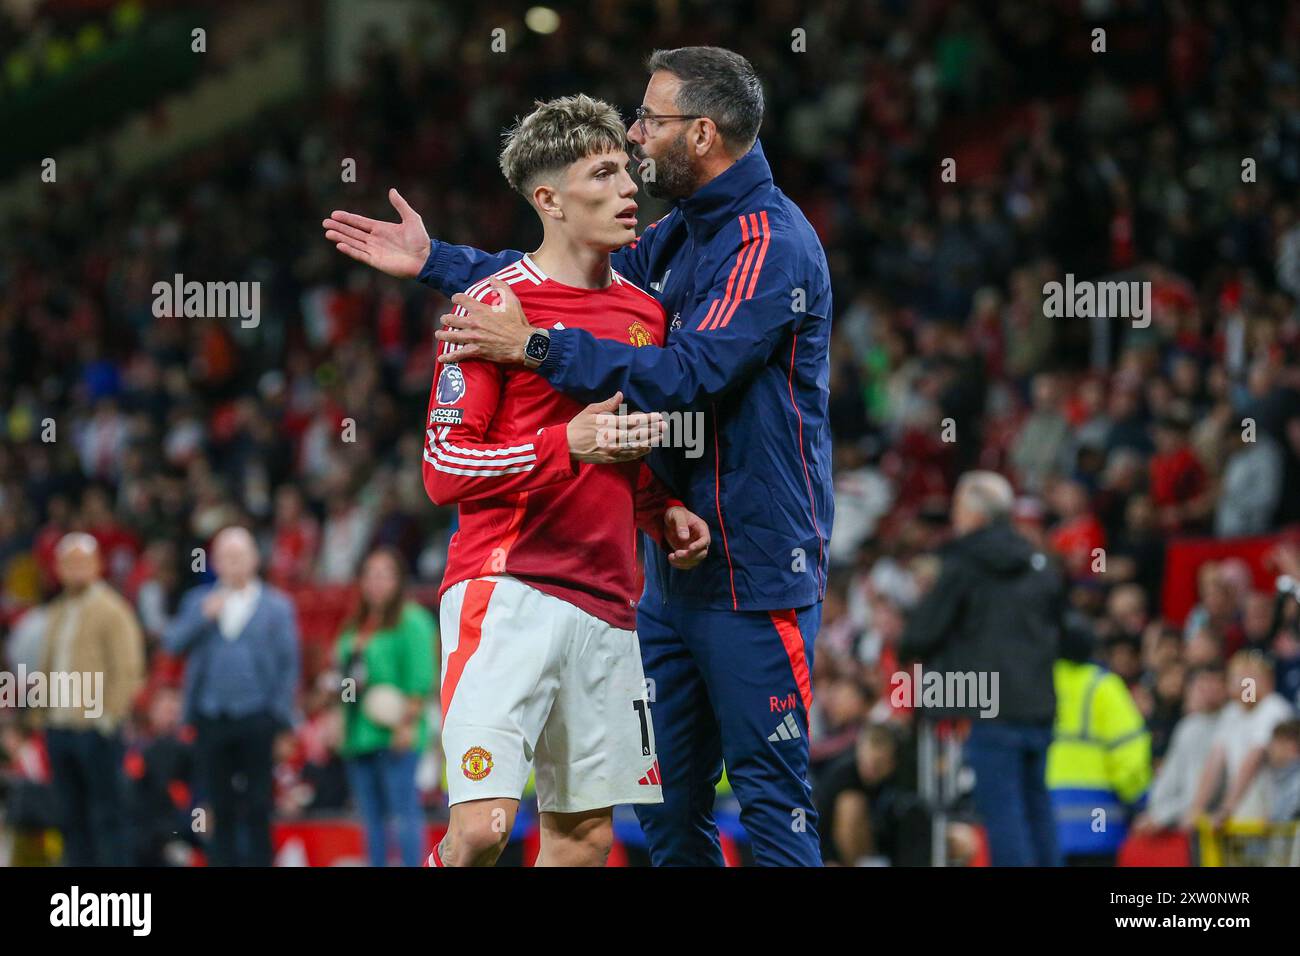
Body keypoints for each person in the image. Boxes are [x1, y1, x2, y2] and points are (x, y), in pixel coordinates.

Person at [325, 45, 833, 867]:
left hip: (755, 570)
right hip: (658, 580)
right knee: (665, 817)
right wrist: (437, 264)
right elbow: (557, 282)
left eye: (649, 121)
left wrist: (534, 351)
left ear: (701, 133)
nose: (637, 140)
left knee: (770, 803)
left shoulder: (769, 243)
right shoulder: (670, 243)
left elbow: (689, 375)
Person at [411, 94, 712, 867]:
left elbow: (613, 448)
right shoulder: (491, 303)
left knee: (582, 841)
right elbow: (443, 471)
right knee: (481, 831)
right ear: (548, 199)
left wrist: (660, 509)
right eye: (603, 174)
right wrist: (562, 444)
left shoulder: (646, 313)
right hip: (508, 587)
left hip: (611, 603)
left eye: (626, 170)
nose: (627, 190)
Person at [900, 471, 1063, 867]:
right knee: (1037, 808)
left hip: (988, 705)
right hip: (1039, 705)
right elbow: (1066, 627)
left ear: (974, 513)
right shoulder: (1040, 563)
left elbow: (920, 635)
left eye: (958, 507)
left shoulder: (962, 562)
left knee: (1003, 813)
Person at [163, 526, 301, 866]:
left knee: (258, 804)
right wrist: (202, 617)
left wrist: (279, 716)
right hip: (211, 718)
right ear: (215, 562)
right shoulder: (198, 601)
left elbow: (289, 665)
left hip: (257, 717)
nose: (234, 563)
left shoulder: (276, 606)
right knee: (217, 805)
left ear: (255, 559)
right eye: (226, 556)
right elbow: (172, 643)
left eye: (240, 555)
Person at [38, 533, 145, 866]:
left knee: (107, 814)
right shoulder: (57, 610)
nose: (76, 570)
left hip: (95, 727)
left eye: (83, 562)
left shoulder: (111, 609)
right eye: (68, 563)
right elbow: (48, 664)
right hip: (60, 725)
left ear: (98, 565)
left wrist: (109, 716)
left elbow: (127, 667)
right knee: (70, 815)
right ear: (58, 568)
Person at [335, 547, 437, 867]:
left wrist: (406, 724)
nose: (376, 582)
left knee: (404, 813)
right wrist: (339, 718)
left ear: (398, 580)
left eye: (384, 575)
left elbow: (421, 678)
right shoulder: (356, 625)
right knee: (372, 820)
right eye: (370, 575)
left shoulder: (413, 621)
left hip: (396, 736)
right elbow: (344, 679)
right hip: (359, 736)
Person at [1046, 614, 1152, 866]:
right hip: (1098, 828)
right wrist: (1141, 801)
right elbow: (1128, 756)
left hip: (1046, 826)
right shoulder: (1104, 686)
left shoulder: (1039, 684)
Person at [1184, 652, 1296, 827]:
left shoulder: (1274, 709)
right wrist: (1195, 810)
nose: (1243, 685)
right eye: (1237, 678)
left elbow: (1253, 759)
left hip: (1271, 819)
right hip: (1240, 820)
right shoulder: (1232, 713)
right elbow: (1214, 763)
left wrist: (1226, 808)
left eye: (1249, 679)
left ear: (1266, 680)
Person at [1132, 663, 1226, 834]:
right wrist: (1155, 813)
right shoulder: (1187, 726)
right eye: (1202, 683)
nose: (1209, 689)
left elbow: (1207, 787)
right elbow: (1170, 778)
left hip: (1214, 825)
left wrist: (1163, 816)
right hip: (1184, 823)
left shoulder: (1231, 723)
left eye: (1216, 683)